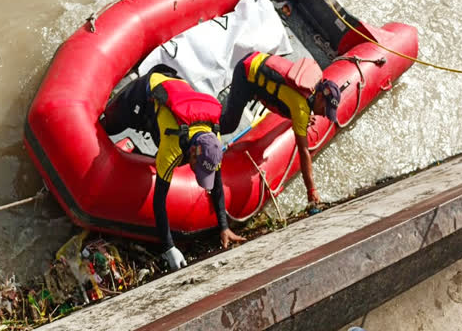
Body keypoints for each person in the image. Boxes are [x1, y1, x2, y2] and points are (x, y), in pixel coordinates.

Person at [102, 65, 245, 271]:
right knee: (108, 124)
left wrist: (224, 226)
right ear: (194, 151)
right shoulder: (172, 146)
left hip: (177, 91)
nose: (197, 173)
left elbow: (218, 184)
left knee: (155, 129)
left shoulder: (213, 143)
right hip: (149, 91)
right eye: (198, 168)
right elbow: (159, 201)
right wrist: (169, 247)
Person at [219, 52, 341, 210]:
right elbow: (303, 152)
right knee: (230, 124)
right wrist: (311, 190)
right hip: (246, 71)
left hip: (259, 59)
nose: (324, 114)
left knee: (282, 105)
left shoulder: (313, 87)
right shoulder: (301, 108)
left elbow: (284, 96)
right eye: (325, 109)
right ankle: (202, 127)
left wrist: (298, 119)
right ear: (318, 97)